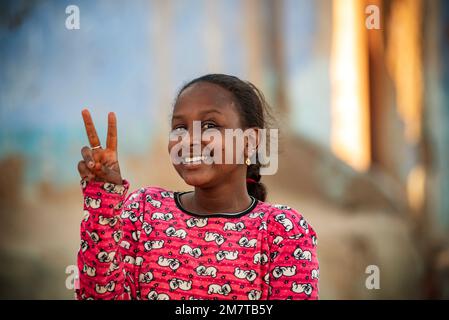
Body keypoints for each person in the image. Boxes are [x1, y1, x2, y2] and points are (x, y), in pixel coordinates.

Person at [76, 74, 319, 300]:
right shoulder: (143, 210)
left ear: (250, 141)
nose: (189, 139)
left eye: (210, 125)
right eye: (179, 127)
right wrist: (104, 203)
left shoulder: (282, 231)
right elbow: (99, 294)